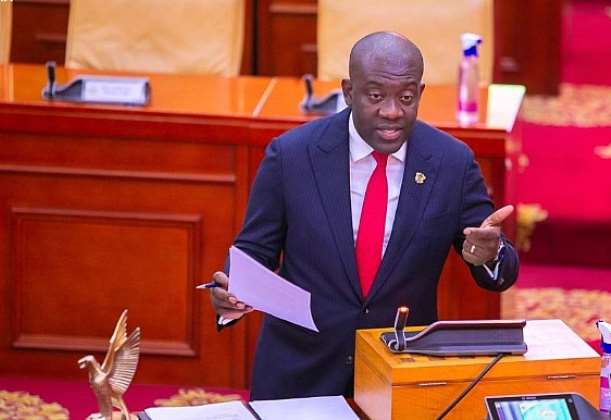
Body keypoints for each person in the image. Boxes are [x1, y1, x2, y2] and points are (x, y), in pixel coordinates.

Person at [208, 31, 519, 400]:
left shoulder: (451, 162)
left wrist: (490, 255)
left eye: (406, 98)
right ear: (348, 91)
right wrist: (230, 291)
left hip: (400, 374)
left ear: (420, 93)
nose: (392, 111)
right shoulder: (292, 155)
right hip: (302, 372)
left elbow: (496, 261)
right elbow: (252, 252)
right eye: (375, 96)